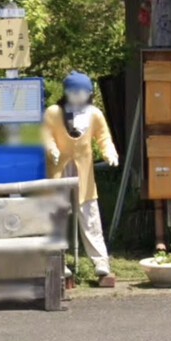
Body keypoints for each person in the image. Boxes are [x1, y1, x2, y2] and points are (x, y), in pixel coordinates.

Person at [44, 72, 119, 286]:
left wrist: (109, 152)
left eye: (84, 92)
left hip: (84, 173)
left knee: (90, 215)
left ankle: (100, 261)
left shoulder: (94, 114)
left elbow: (104, 137)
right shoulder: (53, 112)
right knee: (57, 215)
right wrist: (52, 150)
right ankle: (59, 260)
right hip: (58, 171)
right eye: (74, 91)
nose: (78, 96)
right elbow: (46, 136)